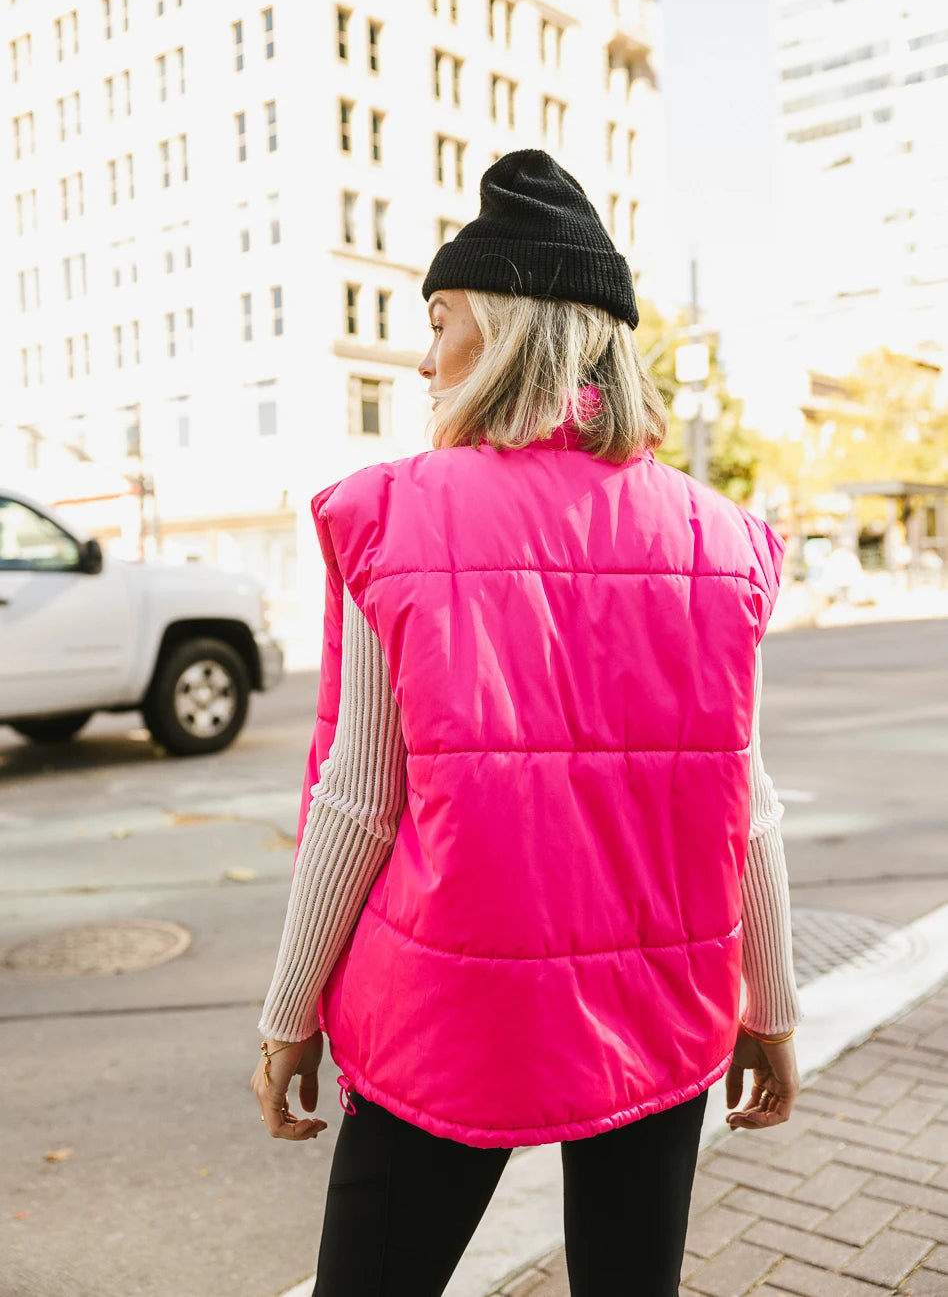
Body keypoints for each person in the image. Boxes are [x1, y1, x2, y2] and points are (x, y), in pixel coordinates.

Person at [251, 150, 802, 1297]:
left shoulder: (393, 515)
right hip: (659, 1014)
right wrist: (771, 1001)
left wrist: (288, 1009)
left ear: (500, 333)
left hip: (450, 1016)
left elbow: (358, 799)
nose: (422, 352)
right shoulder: (721, 538)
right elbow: (745, 806)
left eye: (440, 319)